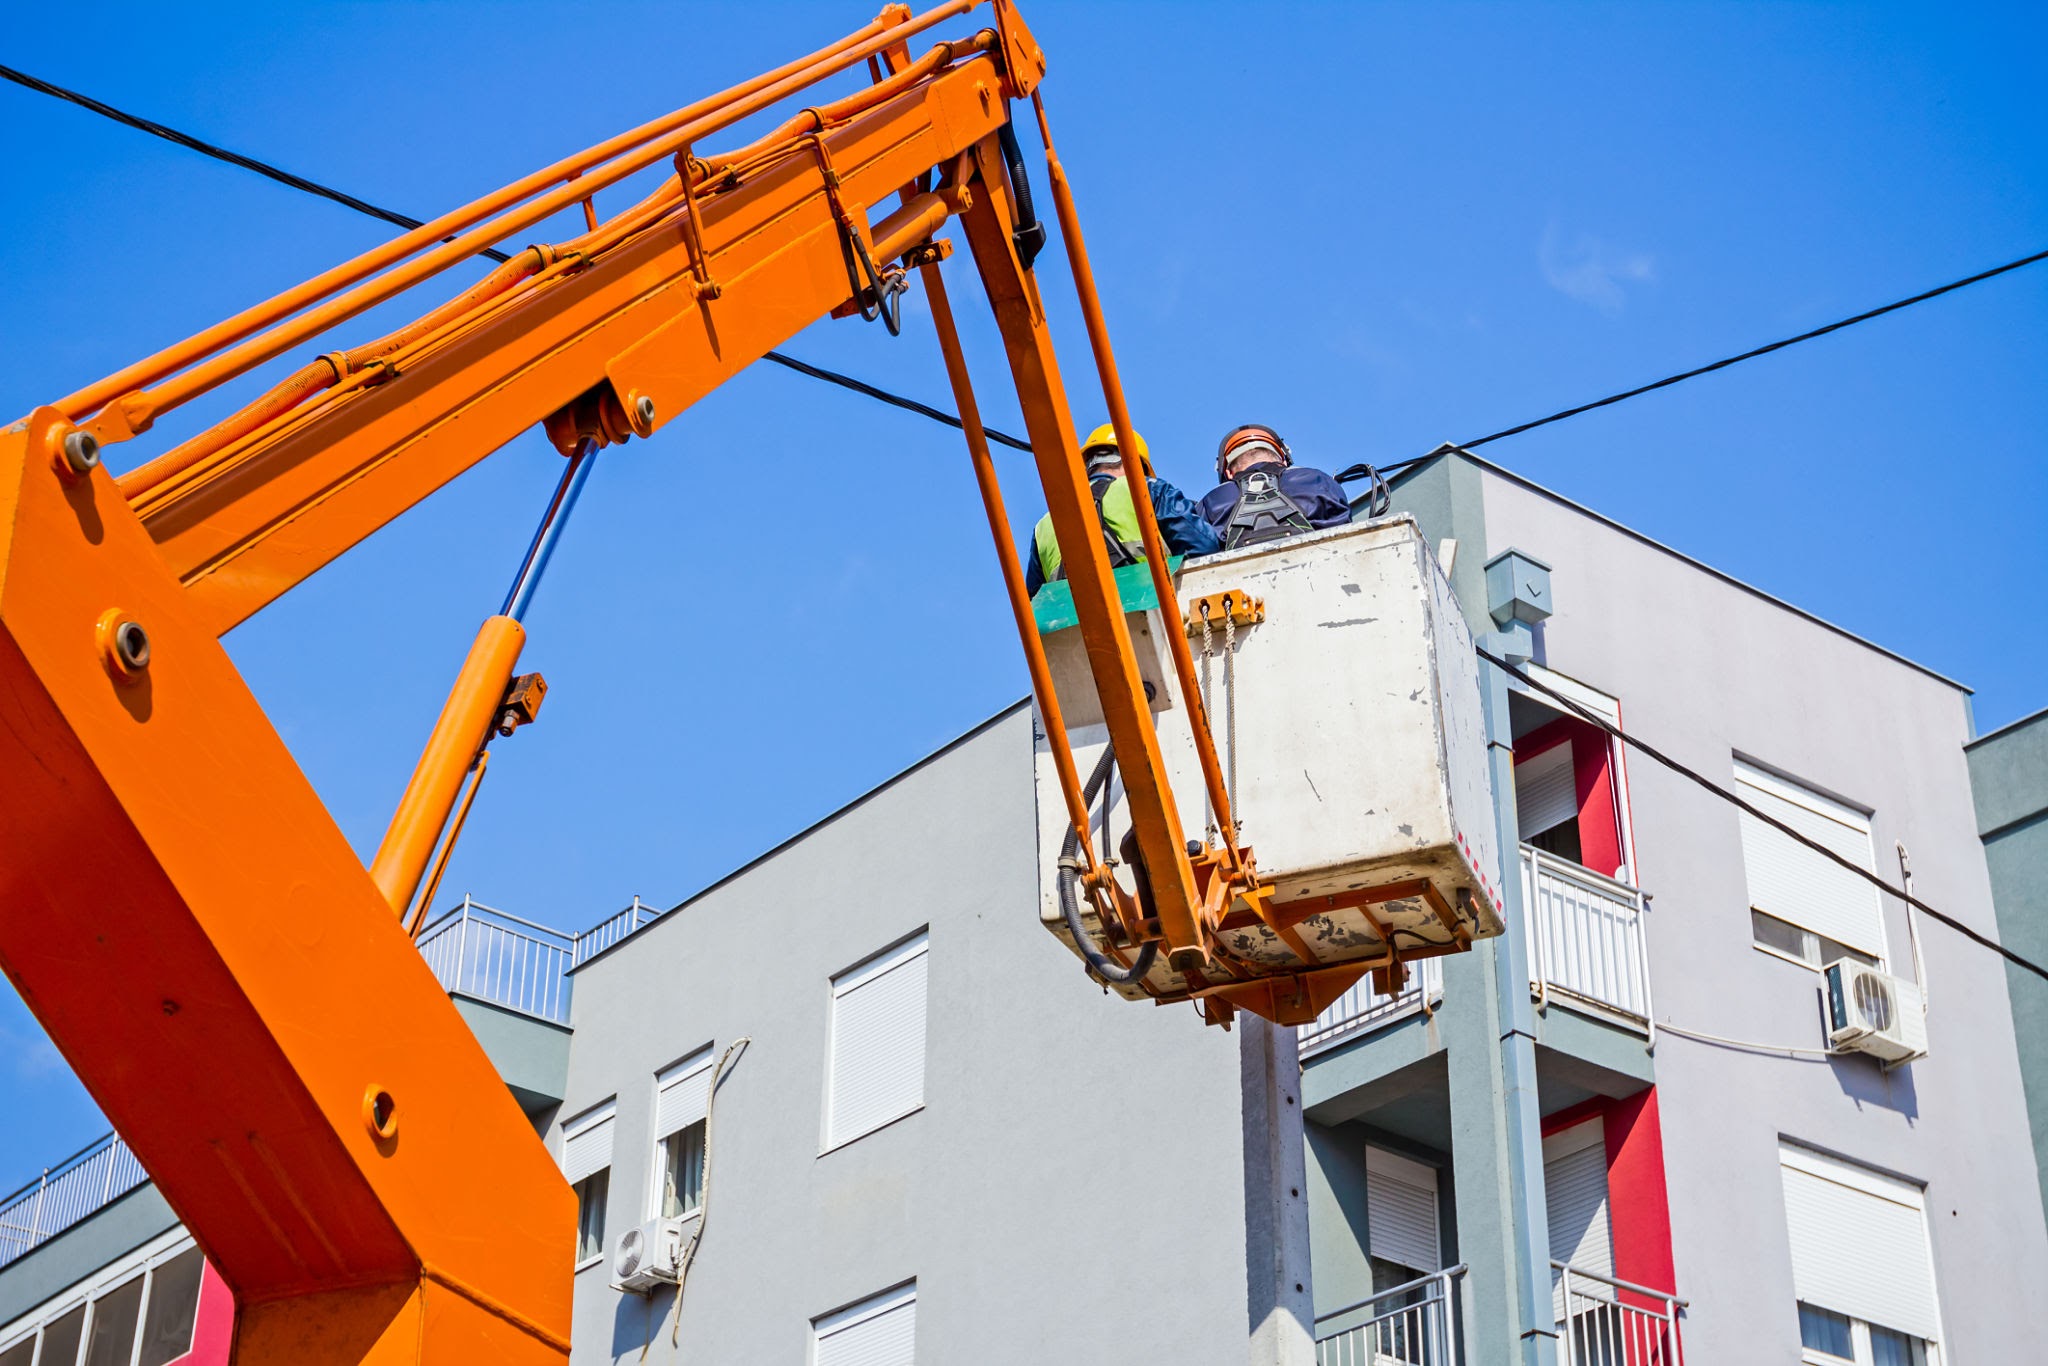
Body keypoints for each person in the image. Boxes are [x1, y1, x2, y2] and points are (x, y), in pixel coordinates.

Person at [1024, 424, 1222, 595]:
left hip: (1073, 634)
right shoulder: (1147, 489)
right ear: (1135, 466)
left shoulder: (1044, 526)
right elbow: (1204, 549)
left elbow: (1035, 603)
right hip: (1151, 618)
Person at [1199, 423, 1353, 549]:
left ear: (1228, 472)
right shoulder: (1316, 479)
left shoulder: (1210, 501)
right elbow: (1346, 533)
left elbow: (1196, 546)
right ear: (1283, 460)